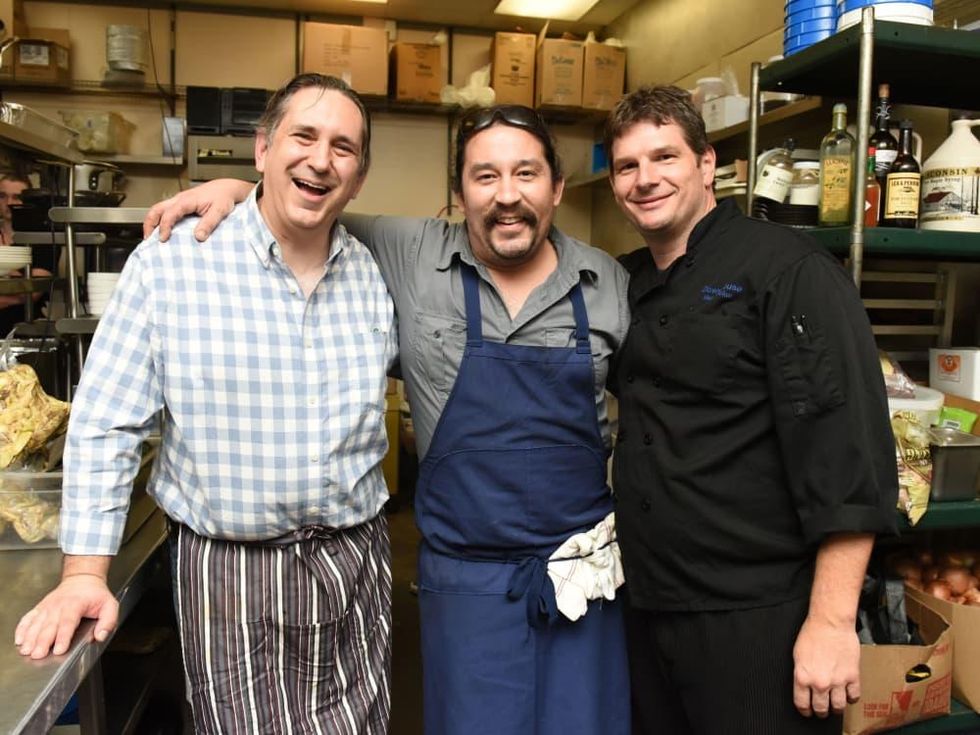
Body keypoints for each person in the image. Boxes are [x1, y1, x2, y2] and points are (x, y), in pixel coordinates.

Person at [142, 104, 632, 735]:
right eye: (485, 177)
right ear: (457, 194)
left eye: (527, 174)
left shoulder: (609, 281)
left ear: (557, 187)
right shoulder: (409, 250)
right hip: (466, 583)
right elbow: (310, 204)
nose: (507, 196)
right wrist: (240, 187)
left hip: (583, 575)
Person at [13, 73, 398, 734]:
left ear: (358, 177)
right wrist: (83, 571)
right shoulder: (170, 264)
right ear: (263, 149)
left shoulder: (370, 272)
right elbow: (107, 419)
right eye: (302, 136)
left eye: (343, 147)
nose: (320, 159)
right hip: (231, 574)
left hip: (355, 562)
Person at [604, 85, 898, 734]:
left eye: (665, 157)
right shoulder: (625, 281)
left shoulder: (787, 271)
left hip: (759, 619)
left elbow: (848, 456)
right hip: (649, 607)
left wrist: (829, 622)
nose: (645, 179)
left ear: (708, 163)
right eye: (628, 165)